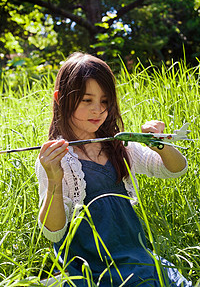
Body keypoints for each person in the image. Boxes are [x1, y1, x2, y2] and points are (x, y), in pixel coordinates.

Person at [35, 52, 192, 286]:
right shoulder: (56, 159)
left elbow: (174, 169)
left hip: (133, 255)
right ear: (61, 99)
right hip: (89, 264)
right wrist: (55, 181)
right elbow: (53, 232)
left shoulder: (118, 145)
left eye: (105, 101)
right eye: (87, 100)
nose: (98, 109)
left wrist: (161, 144)